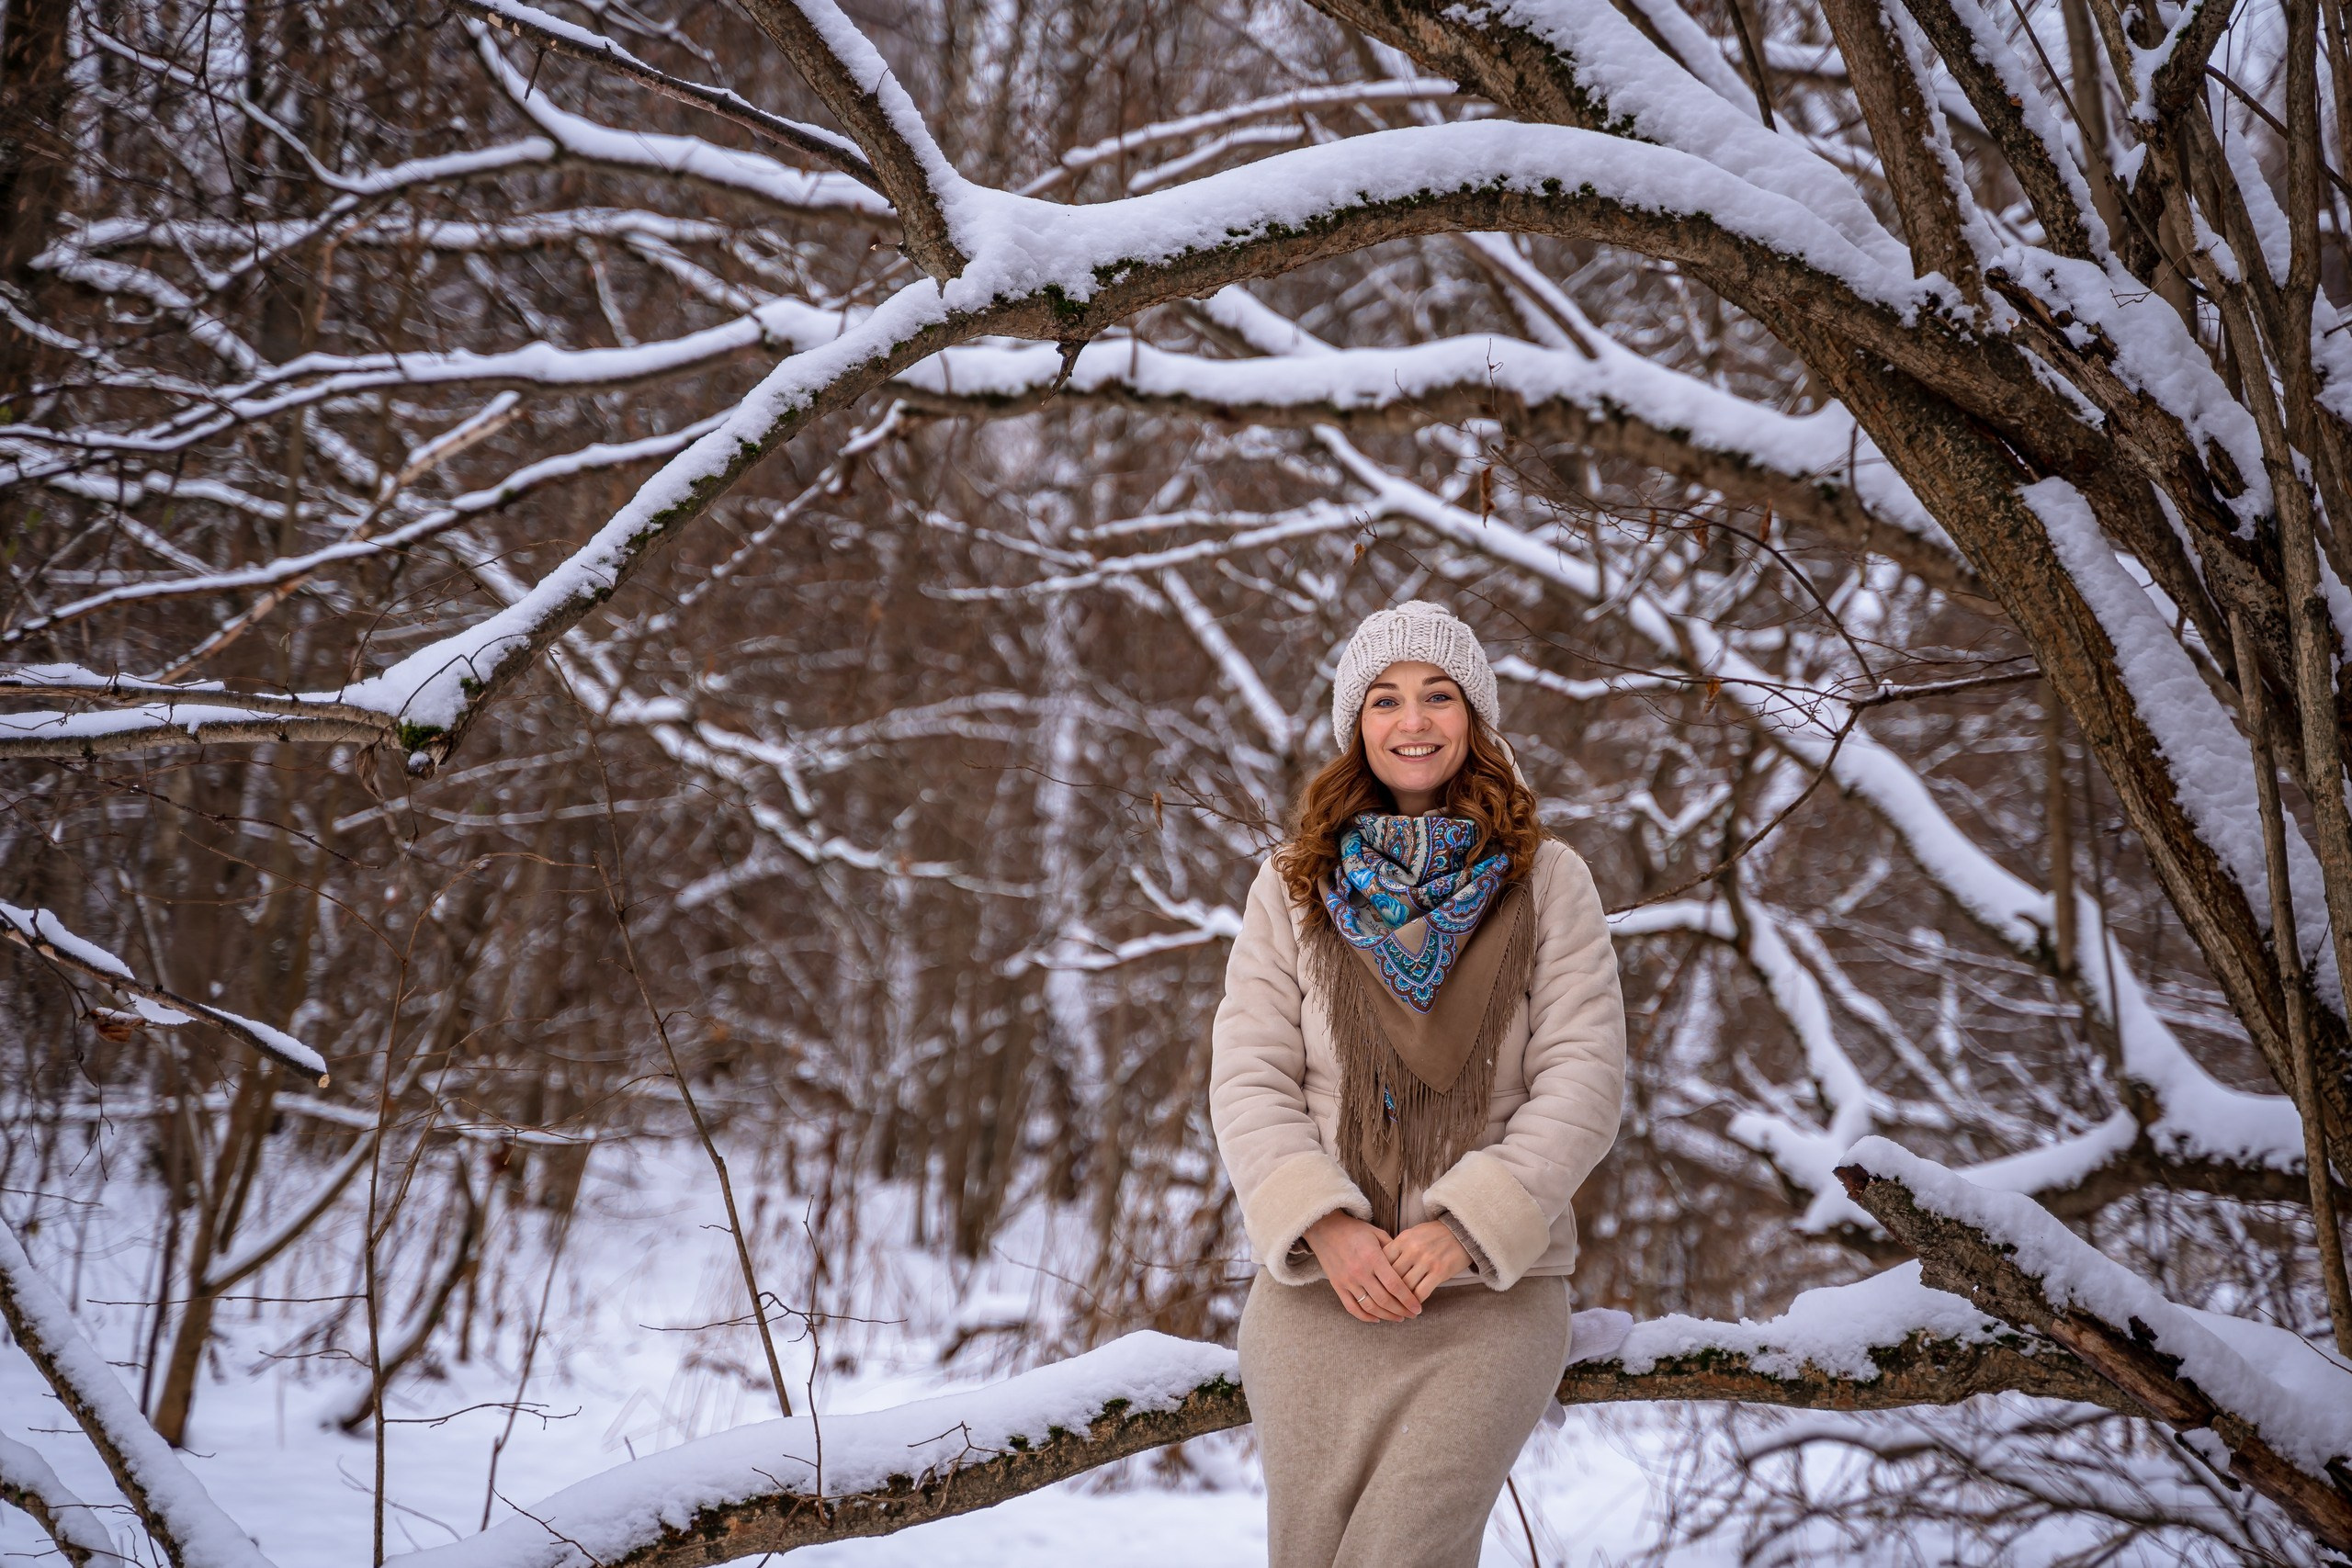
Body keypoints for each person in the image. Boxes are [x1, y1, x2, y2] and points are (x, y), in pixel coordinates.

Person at [1210, 601, 1627, 1567]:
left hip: (1488, 1290)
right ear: (1356, 726)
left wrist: (1465, 1226)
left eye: (1438, 696)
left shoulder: (1547, 880)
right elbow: (1251, 1076)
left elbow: (1583, 1079)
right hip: (1320, 1291)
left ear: (1473, 718)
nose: (1413, 720)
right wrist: (1324, 1223)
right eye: (1386, 699)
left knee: (1400, 1553)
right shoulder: (1293, 886)